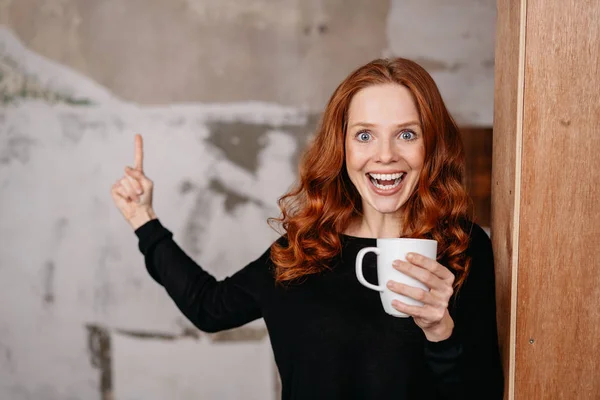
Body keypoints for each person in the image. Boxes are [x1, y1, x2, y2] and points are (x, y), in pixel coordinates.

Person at [111, 57, 504, 399]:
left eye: (407, 134)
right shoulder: (305, 250)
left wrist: (441, 331)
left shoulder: (461, 248)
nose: (385, 155)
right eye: (364, 135)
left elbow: (484, 394)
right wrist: (144, 221)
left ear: (431, 146)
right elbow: (209, 307)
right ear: (343, 147)